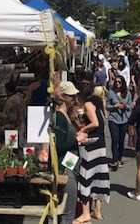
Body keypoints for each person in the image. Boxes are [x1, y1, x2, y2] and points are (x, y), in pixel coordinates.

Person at [75, 87, 110, 223]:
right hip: (100, 144)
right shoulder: (98, 105)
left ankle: (85, 213)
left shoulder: (88, 105)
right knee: (98, 177)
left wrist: (82, 129)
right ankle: (97, 211)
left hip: (92, 145)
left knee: (86, 177)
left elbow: (94, 123)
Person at [54, 81, 84, 224]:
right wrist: (77, 140)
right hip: (65, 165)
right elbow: (58, 146)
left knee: (69, 208)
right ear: (63, 97)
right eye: (71, 96)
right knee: (68, 210)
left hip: (70, 162)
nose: (74, 99)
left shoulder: (66, 115)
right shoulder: (60, 116)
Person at [106, 78, 132, 170]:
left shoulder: (127, 93)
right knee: (115, 139)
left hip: (124, 119)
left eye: (119, 82)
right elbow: (107, 106)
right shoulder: (110, 93)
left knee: (121, 140)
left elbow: (130, 106)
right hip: (113, 119)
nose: (117, 83)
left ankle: (119, 159)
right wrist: (114, 106)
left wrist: (125, 106)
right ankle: (114, 159)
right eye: (116, 82)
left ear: (123, 83)